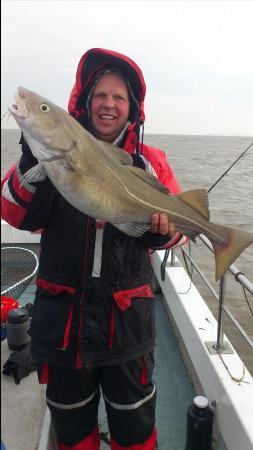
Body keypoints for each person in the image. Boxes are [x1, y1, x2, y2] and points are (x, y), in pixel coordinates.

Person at [1, 48, 186, 450]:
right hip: (63, 325)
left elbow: (179, 233)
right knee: (71, 428)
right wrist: (33, 154)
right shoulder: (47, 156)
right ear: (86, 101)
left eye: (119, 97)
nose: (109, 104)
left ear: (131, 107)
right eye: (100, 94)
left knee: (135, 428)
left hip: (126, 328)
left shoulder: (149, 162)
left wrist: (159, 233)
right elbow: (14, 213)